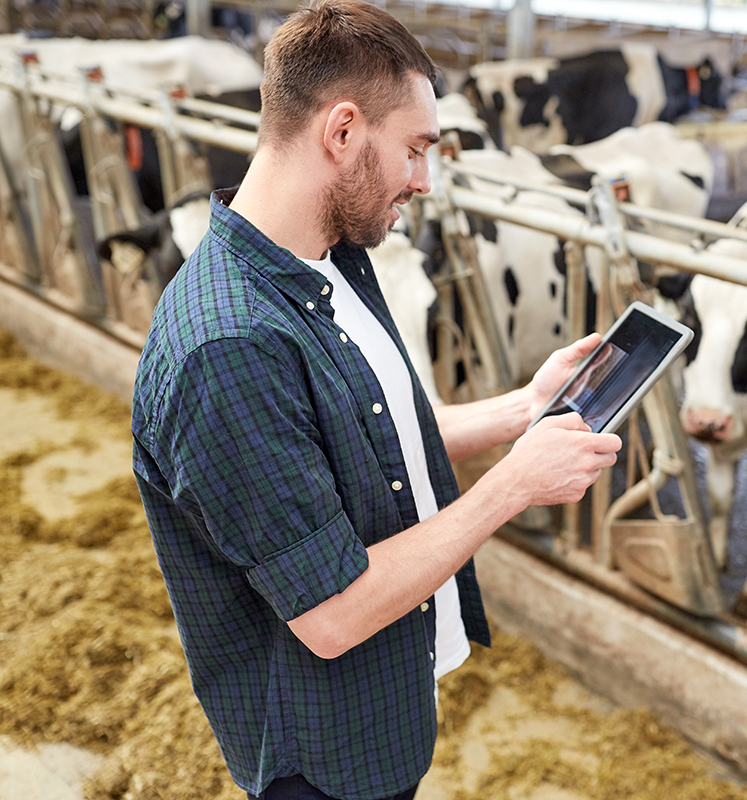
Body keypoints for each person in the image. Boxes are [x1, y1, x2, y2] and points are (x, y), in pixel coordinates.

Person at [129, 2, 622, 799]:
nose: (424, 181)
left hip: (381, 702)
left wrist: (522, 413)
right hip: (321, 756)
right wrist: (514, 486)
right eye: (416, 150)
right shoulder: (229, 348)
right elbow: (332, 614)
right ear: (344, 131)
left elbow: (366, 440)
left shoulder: (331, 260)